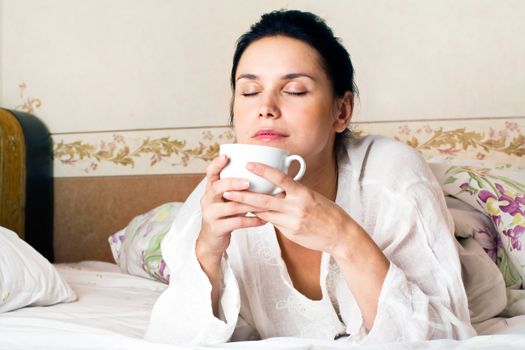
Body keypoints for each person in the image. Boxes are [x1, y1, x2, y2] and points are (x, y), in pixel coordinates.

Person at [146, 9, 476, 346]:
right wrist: (208, 252)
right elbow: (169, 339)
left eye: (295, 90)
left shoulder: (392, 175)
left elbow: (446, 335)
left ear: (342, 111)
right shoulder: (222, 194)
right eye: (249, 92)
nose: (266, 107)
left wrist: (344, 237)